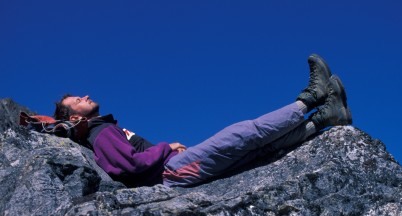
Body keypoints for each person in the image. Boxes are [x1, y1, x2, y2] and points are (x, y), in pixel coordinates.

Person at [54, 54, 352, 188]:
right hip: (170, 173)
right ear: (76, 116)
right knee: (244, 135)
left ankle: (325, 118)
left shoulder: (105, 129)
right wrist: (165, 148)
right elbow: (131, 166)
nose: (85, 95)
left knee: (254, 151)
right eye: (78, 100)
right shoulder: (100, 132)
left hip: (173, 170)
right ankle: (311, 99)